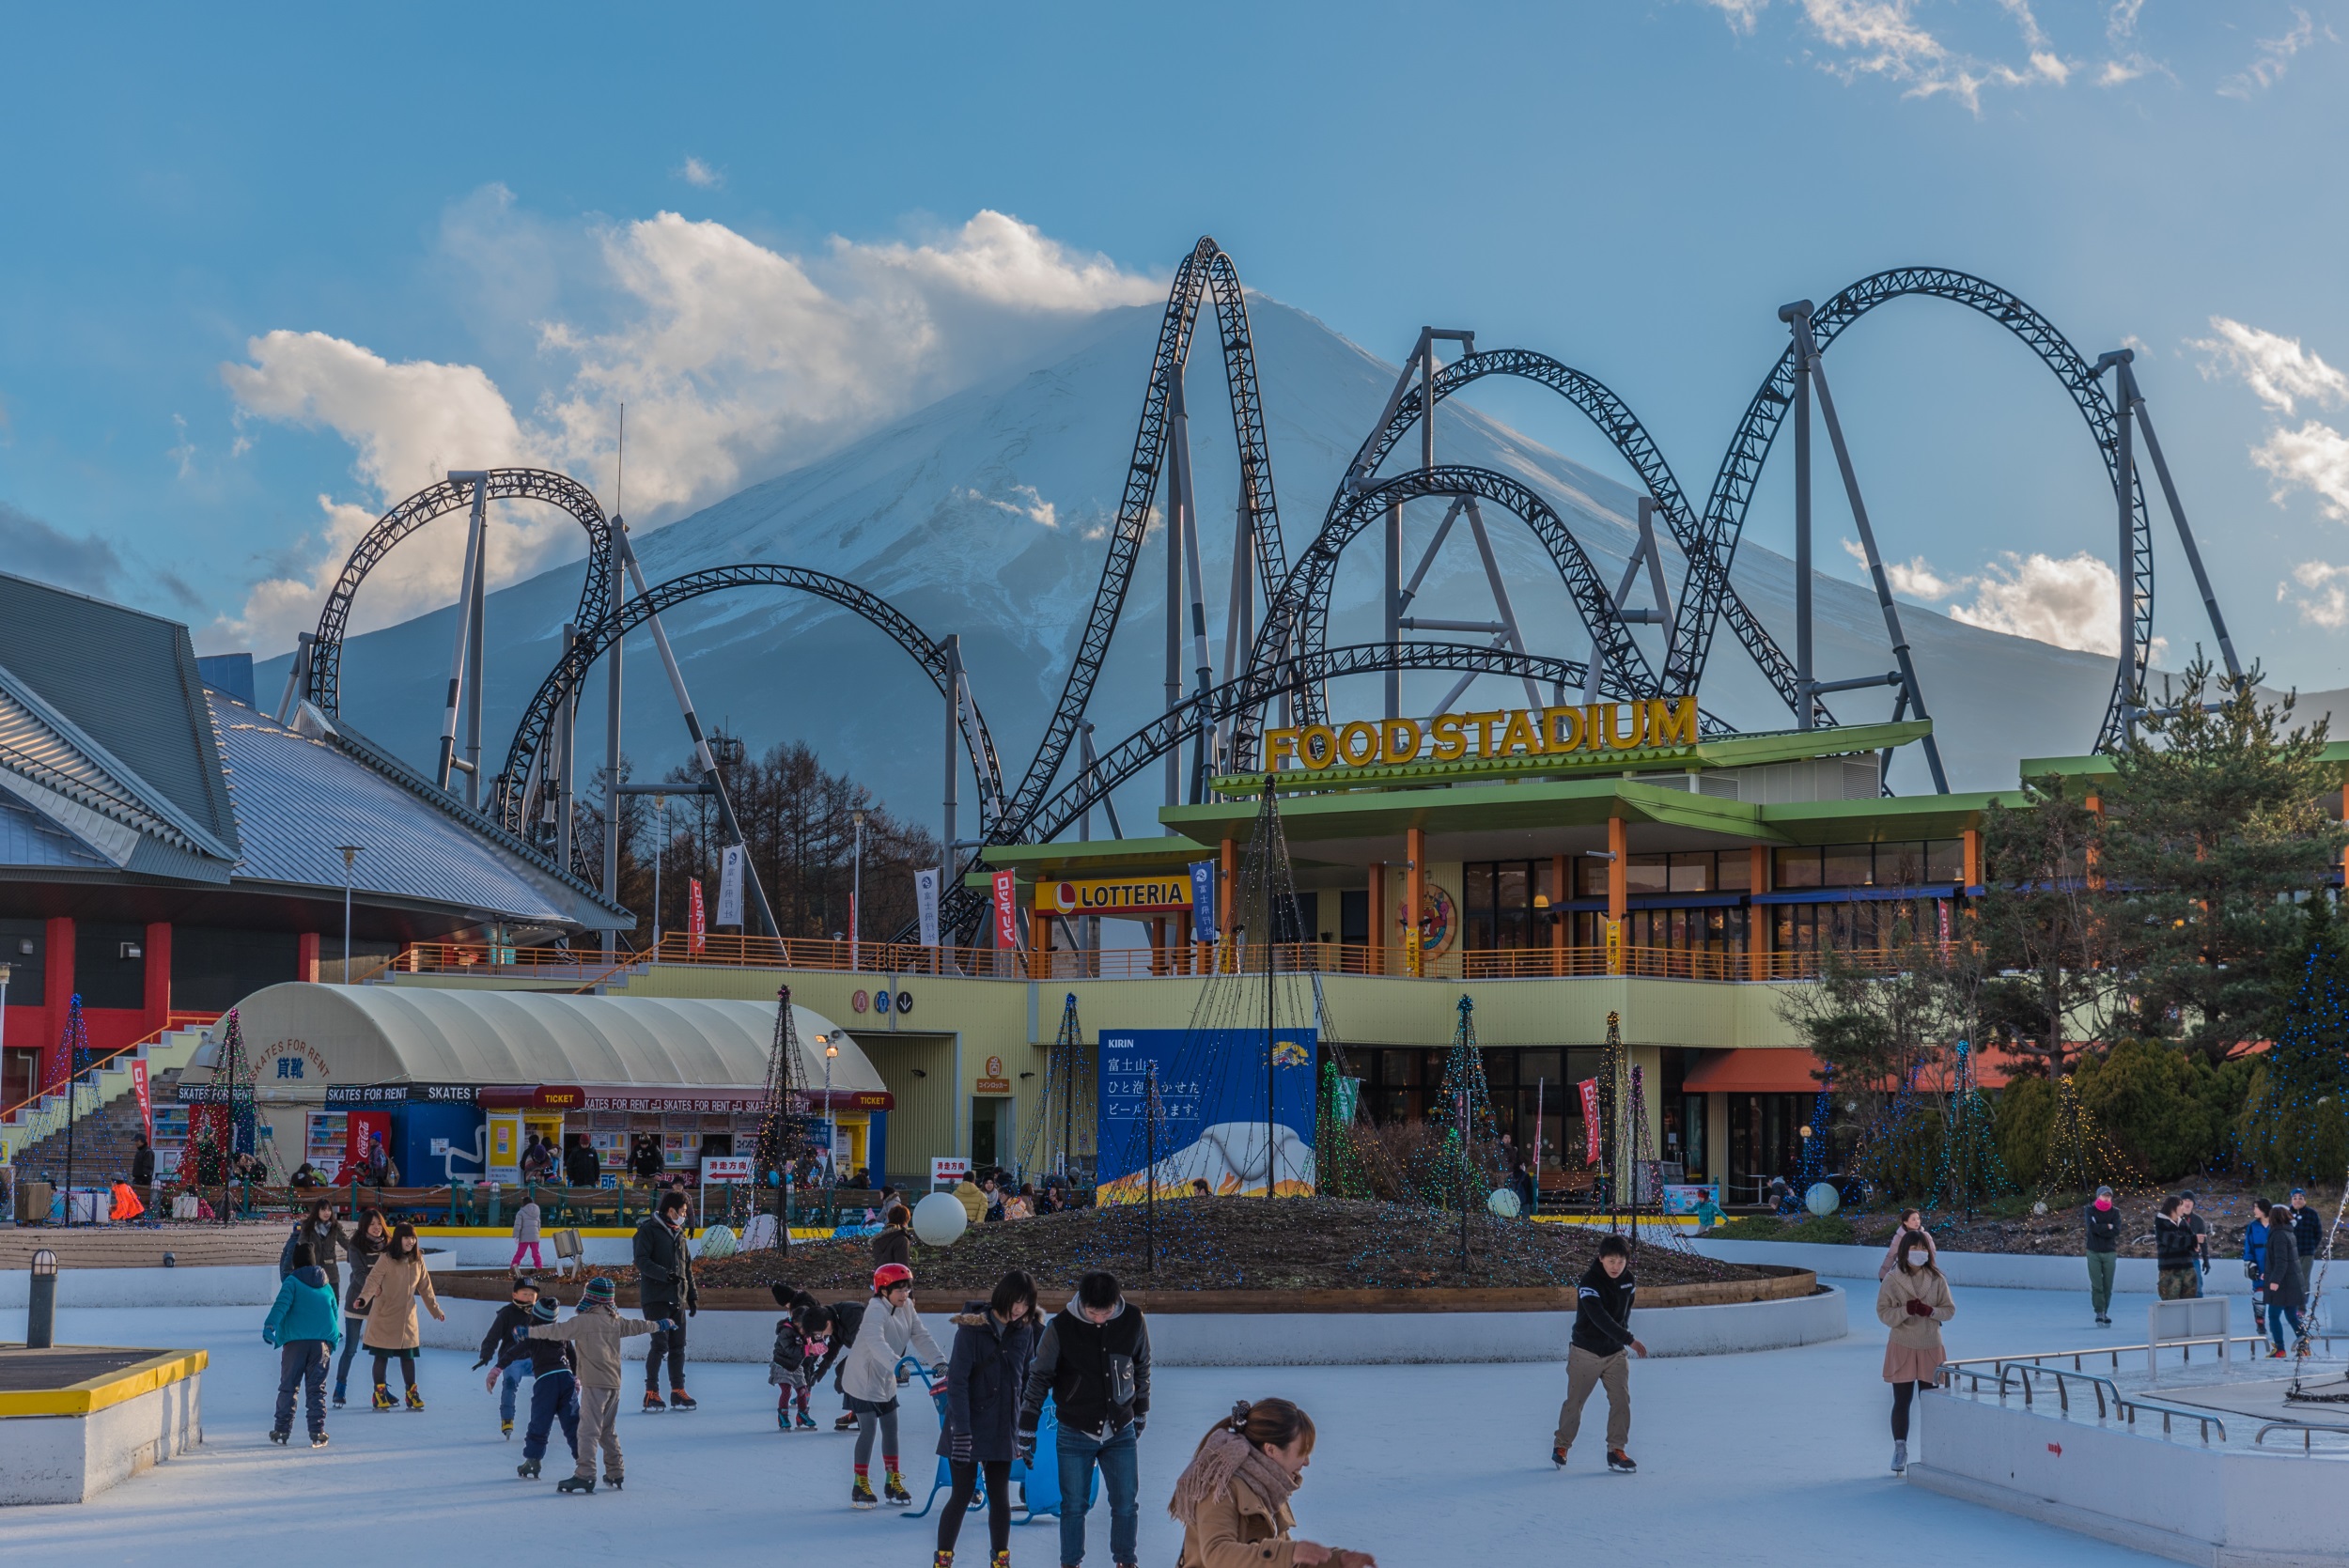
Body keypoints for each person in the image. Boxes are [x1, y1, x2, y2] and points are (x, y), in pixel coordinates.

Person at [1020, 1268, 1151, 1568]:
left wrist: (1140, 1409)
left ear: (1116, 1302)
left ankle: (1125, 1561)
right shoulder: (1061, 1327)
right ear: (1082, 1303)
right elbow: (1039, 1377)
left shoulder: (1132, 1318)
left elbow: (1141, 1364)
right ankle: (1070, 1563)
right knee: (1073, 1506)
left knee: (1125, 1504)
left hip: (1120, 1429)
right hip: (1074, 1431)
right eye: (1093, 1312)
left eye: (1106, 1312)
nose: (1100, 1319)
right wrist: (1027, 1425)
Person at [1168, 1398, 1374, 1568]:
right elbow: (1217, 1554)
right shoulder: (1222, 1485)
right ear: (1271, 1450)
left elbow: (1284, 1559)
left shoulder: (1267, 1484)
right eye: (1302, 1452)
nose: (1307, 1462)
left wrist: (1337, 1561)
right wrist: (1290, 1552)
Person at [933, 1270, 1040, 1568]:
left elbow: (1026, 1378)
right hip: (966, 1424)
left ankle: (1000, 1559)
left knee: (999, 1496)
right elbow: (957, 1383)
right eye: (1016, 1301)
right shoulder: (971, 1329)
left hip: (1002, 1425)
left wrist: (1024, 1430)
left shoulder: (1025, 1331)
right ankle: (943, 1559)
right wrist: (963, 1432)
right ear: (1002, 1296)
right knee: (962, 1493)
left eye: (1026, 1304)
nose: (1019, 1309)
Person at [528, 1274, 665, 1494]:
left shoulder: (582, 1322)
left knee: (587, 1431)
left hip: (595, 1384)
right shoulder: (616, 1321)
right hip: (614, 1385)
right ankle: (615, 1471)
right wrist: (659, 1325)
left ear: (589, 1297)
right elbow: (639, 1326)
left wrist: (530, 1331)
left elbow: (555, 1331)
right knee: (607, 1430)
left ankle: (585, 1474)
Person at [838, 1261, 948, 1509]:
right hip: (862, 1378)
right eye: (898, 1289)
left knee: (891, 1428)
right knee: (868, 1429)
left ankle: (892, 1480)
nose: (904, 1294)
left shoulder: (907, 1306)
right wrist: (896, 1364)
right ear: (883, 1290)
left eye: (906, 1288)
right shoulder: (875, 1309)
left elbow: (920, 1334)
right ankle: (860, 1483)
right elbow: (875, 1341)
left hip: (885, 1376)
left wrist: (939, 1361)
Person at [1553, 1233, 1645, 1473]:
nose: (1616, 1266)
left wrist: (1622, 1338)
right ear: (1601, 1258)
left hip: (1615, 1354)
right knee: (1575, 1403)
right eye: (1611, 1261)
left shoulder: (1628, 1281)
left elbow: (1625, 1312)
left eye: (1621, 1261)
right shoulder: (1589, 1282)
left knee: (1621, 1401)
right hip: (1586, 1352)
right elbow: (1599, 1318)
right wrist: (1629, 1340)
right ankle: (1562, 1445)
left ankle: (1616, 1450)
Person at [1876, 1229, 1954, 1475]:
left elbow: (1949, 1310)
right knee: (1902, 1400)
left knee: (1930, 1401)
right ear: (1904, 1251)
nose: (1919, 1254)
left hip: (1931, 1345)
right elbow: (1883, 1313)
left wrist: (1930, 1311)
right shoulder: (1892, 1279)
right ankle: (1900, 1449)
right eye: (1914, 1249)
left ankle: (1936, 1451)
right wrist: (1904, 1311)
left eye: (1923, 1249)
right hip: (1902, 1345)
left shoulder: (1937, 1279)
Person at [354, 1221, 444, 1410]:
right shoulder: (387, 1258)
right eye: (406, 1237)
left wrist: (435, 1310)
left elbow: (425, 1287)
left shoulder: (417, 1259)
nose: (410, 1241)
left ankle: (411, 1394)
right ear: (398, 1239)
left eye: (413, 1237)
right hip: (385, 1315)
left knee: (408, 1357)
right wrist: (363, 1299)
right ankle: (379, 1394)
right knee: (381, 1356)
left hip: (407, 1318)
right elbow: (373, 1280)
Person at [263, 1239, 341, 1449]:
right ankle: (317, 1431)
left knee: (289, 1387)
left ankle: (281, 1429)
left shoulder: (292, 1281)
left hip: (295, 1343)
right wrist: (334, 1336)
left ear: (295, 1264)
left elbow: (282, 1305)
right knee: (317, 1389)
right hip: (320, 1344)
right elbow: (334, 1312)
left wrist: (270, 1325)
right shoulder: (325, 1284)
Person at [633, 1190, 700, 1410]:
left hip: (677, 1299)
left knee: (678, 1347)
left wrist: (691, 1295)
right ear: (670, 1210)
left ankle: (677, 1391)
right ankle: (651, 1392)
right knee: (660, 1345)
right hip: (656, 1298)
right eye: (681, 1212)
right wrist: (664, 1274)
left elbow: (686, 1267)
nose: (683, 1216)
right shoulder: (648, 1230)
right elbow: (641, 1261)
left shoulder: (679, 1235)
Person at [507, 1296, 579, 1481]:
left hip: (546, 1382)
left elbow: (516, 1351)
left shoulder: (533, 1336)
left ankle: (533, 1460)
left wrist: (498, 1366)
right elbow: (572, 1355)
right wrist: (576, 1376)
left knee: (540, 1420)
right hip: (566, 1378)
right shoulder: (560, 1334)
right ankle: (584, 1461)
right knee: (572, 1421)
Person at [332, 1206, 387, 1407]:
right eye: (372, 1224)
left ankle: (381, 1390)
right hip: (358, 1301)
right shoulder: (356, 1246)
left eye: (379, 1223)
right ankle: (340, 1387)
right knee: (351, 1348)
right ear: (364, 1226)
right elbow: (359, 1273)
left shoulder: (388, 1245)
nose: (377, 1228)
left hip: (380, 1303)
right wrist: (374, 1289)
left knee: (382, 1349)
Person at [474, 1275, 542, 1437]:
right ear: (514, 1295)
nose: (529, 1297)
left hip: (535, 1358)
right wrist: (486, 1355)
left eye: (532, 1294)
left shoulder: (540, 1313)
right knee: (510, 1386)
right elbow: (493, 1336)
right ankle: (507, 1419)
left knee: (552, 1379)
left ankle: (557, 1406)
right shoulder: (507, 1314)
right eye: (525, 1293)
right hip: (512, 1360)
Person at [2262, 1201, 2308, 1358]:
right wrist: (2267, 1274)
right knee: (2291, 1315)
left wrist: (2274, 1280)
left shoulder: (2279, 1235)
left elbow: (2281, 1261)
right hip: (2291, 1283)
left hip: (2283, 1284)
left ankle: (2280, 1349)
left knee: (2274, 1315)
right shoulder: (2287, 1232)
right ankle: (2304, 1345)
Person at [771, 1305, 823, 1432]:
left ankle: (802, 1415)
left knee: (802, 1390)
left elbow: (812, 1342)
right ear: (795, 1322)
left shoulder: (805, 1331)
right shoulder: (786, 1332)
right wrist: (808, 1350)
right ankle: (782, 1416)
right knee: (786, 1390)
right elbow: (791, 1350)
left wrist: (818, 1344)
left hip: (795, 1366)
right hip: (782, 1365)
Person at [283, 1197, 344, 1296]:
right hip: (313, 1273)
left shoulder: (335, 1227)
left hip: (331, 1273)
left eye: (329, 1210)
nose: (327, 1213)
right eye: (323, 1210)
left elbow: (347, 1244)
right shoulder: (308, 1227)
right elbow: (301, 1245)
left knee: (333, 1303)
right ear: (317, 1211)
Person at [2084, 1186, 2122, 1326]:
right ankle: (2099, 1310)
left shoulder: (2115, 1212)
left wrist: (2101, 1227)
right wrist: (2107, 1226)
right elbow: (2091, 1228)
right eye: (2104, 1195)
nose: (2107, 1198)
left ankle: (2105, 1311)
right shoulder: (2090, 1210)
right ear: (2098, 1196)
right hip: (2093, 1251)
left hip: (2109, 1252)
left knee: (2107, 1284)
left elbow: (2116, 1231)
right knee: (2097, 1284)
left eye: (2109, 1196)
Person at [2155, 1193, 2201, 1300]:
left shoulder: (2184, 1222)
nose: (2183, 1207)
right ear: (2172, 1208)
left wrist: (2194, 1245)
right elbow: (2172, 1241)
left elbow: (2190, 1237)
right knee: (2170, 1301)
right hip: (2169, 1268)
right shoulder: (2161, 1223)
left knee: (2189, 1301)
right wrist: (2194, 1239)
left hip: (2187, 1266)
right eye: (2180, 1206)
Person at [2290, 1188, 2323, 1300]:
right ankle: (2290, 1303)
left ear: (2305, 1200)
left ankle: (2301, 1306)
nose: (2297, 1200)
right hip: (2289, 1253)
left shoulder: (2312, 1214)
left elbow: (2318, 1233)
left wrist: (2312, 1247)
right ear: (2291, 1200)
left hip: (2306, 1253)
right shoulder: (2286, 1213)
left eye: (2300, 1198)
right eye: (2295, 1198)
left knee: (2303, 1279)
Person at [1877, 1208, 1927, 1281]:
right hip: (1904, 1273)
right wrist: (1883, 1274)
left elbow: (1931, 1254)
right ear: (1905, 1222)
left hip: (1922, 1272)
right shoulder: (1899, 1237)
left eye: (1918, 1219)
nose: (1917, 1222)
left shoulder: (1925, 1236)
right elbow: (1891, 1255)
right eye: (1913, 1219)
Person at [873, 1204, 913, 1270]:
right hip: (895, 1277)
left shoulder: (878, 1239)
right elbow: (903, 1266)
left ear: (889, 1217)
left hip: (880, 1276)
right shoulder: (901, 1239)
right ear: (906, 1221)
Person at [513, 1193, 544, 1275]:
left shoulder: (521, 1212)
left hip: (524, 1236)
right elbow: (538, 1224)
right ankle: (539, 1267)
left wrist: (516, 1235)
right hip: (535, 1236)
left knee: (520, 1253)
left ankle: (513, 1267)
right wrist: (538, 1232)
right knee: (536, 1253)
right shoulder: (537, 1211)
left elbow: (518, 1225)